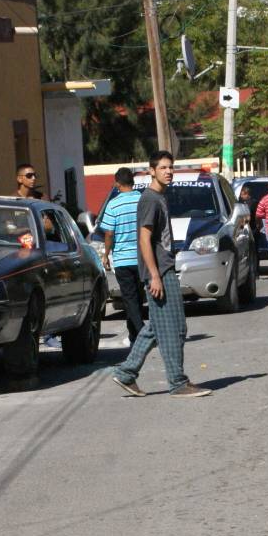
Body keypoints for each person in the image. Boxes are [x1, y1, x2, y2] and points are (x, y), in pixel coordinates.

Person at [110, 152, 210, 399]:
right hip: (160, 272)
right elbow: (144, 239)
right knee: (175, 327)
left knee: (157, 327)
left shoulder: (159, 197)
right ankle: (177, 382)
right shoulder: (150, 200)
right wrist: (154, 275)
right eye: (163, 167)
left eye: (171, 167)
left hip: (164, 268)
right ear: (151, 171)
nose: (168, 171)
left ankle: (126, 373)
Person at [100, 167, 145, 344]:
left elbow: (109, 233)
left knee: (129, 298)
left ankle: (141, 331)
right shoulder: (142, 200)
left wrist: (106, 255)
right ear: (132, 182)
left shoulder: (113, 204)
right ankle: (134, 334)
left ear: (117, 183)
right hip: (142, 257)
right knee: (138, 297)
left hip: (122, 259)